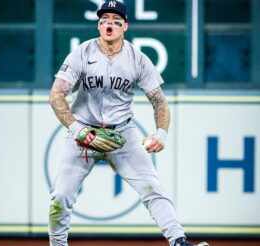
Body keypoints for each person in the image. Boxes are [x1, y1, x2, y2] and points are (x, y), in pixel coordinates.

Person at [48, 1, 209, 246]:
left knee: (152, 187)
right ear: (98, 24)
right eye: (104, 19)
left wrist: (162, 134)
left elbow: (159, 101)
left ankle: (178, 241)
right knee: (60, 196)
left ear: (125, 26)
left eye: (115, 19)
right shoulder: (82, 52)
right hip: (82, 133)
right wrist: (76, 129)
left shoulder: (138, 59)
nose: (109, 23)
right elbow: (56, 95)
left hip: (121, 134)